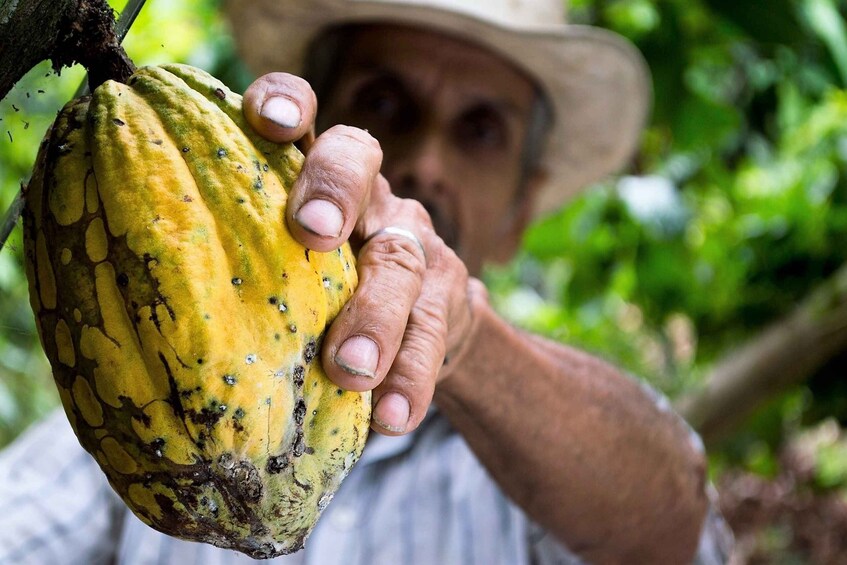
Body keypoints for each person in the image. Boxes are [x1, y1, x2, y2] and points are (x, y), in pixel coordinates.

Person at [0, 0, 734, 563]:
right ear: (300, 127)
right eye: (384, 104)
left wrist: (465, 339)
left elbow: (674, 522)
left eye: (480, 129)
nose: (424, 162)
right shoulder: (131, 388)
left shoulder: (546, 470)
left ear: (521, 210)